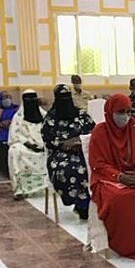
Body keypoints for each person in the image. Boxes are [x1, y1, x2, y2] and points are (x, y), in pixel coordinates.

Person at [89, 95, 135, 258]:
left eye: (128, 112)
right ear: (110, 112)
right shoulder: (100, 132)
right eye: (121, 112)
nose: (126, 117)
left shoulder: (134, 126)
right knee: (119, 198)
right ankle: (127, 245)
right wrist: (120, 177)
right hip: (108, 179)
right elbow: (98, 165)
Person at [43, 84, 94, 220]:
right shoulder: (50, 119)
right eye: (61, 98)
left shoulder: (81, 115)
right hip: (60, 154)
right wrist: (64, 145)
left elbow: (93, 132)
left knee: (92, 167)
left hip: (83, 150)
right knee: (69, 170)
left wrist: (80, 141)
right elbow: (48, 140)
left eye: (66, 97)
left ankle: (91, 204)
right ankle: (81, 204)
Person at [8, 90, 48, 200]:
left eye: (33, 99)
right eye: (28, 99)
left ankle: (47, 185)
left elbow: (49, 132)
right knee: (14, 150)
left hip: (43, 144)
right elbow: (15, 135)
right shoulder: (18, 117)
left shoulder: (44, 115)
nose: (30, 102)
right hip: (25, 145)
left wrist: (42, 144)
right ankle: (21, 188)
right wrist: (28, 144)